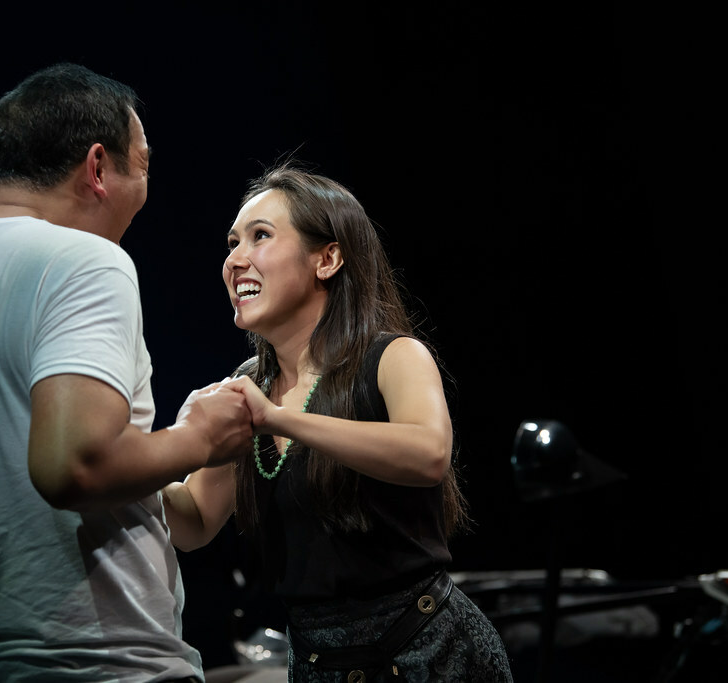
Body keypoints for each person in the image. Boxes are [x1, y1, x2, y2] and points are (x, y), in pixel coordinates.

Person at [0, 63, 253, 681]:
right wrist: (199, 436)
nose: (148, 187)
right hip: (99, 667)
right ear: (97, 168)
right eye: (142, 165)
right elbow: (76, 468)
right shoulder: (88, 261)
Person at [163, 164, 513, 681]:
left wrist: (280, 419)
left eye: (260, 237)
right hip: (318, 665)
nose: (235, 260)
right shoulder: (247, 386)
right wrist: (127, 466)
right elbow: (193, 523)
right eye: (232, 243)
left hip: (430, 652)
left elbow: (428, 454)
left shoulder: (394, 357)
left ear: (327, 259)